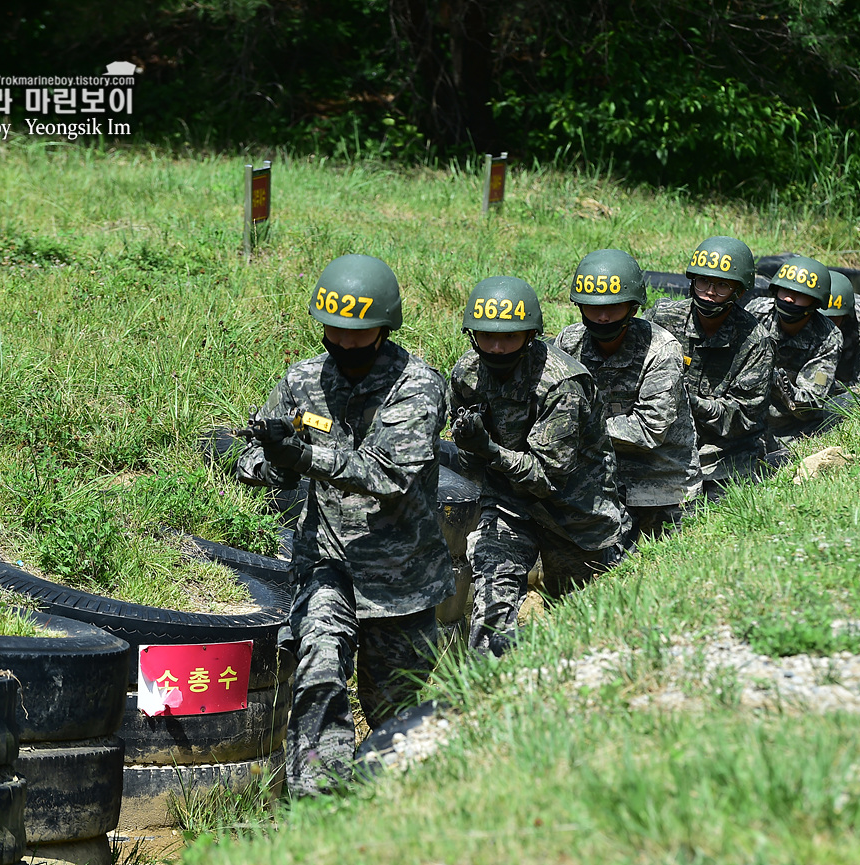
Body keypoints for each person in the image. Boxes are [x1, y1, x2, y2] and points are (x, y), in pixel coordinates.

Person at [236, 254, 454, 797]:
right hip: (326, 566)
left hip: (401, 582)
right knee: (319, 675)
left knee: (396, 713)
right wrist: (276, 461)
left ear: (385, 328)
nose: (346, 344)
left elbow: (389, 473)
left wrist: (305, 456)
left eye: (359, 334)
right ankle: (317, 805)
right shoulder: (302, 379)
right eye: (335, 333)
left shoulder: (417, 385)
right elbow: (249, 462)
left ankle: (391, 814)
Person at [448, 276, 626, 656]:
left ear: (530, 337)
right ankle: (491, 691)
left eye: (509, 338)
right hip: (508, 508)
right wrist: (469, 447)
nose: (496, 348)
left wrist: (488, 449)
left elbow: (547, 476)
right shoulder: (466, 374)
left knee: (588, 627)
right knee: (492, 607)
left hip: (576, 516)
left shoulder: (560, 384)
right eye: (485, 337)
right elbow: (468, 464)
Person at [553, 249, 701, 540]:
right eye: (594, 308)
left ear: (633, 307)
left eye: (614, 307)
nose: (603, 317)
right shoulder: (567, 344)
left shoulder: (660, 349)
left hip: (662, 487)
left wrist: (578, 429)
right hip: (594, 483)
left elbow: (650, 428)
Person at [646, 236, 774, 501]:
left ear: (738, 292)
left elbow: (745, 418)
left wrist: (691, 402)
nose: (710, 292)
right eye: (703, 281)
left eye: (722, 285)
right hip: (660, 441)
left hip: (724, 452)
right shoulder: (663, 318)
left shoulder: (754, 340)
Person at [744, 255, 842, 462]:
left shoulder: (827, 336)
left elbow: (812, 402)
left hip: (792, 430)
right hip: (747, 420)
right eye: (786, 290)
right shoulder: (756, 312)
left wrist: (782, 388)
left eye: (799, 294)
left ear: (815, 302)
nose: (789, 299)